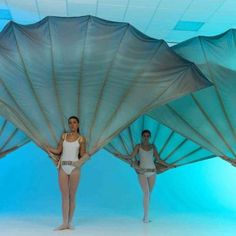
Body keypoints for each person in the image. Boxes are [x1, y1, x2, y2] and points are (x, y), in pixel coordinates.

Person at [115, 129, 173, 223]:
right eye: (144, 136)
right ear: (142, 137)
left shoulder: (153, 146)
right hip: (142, 172)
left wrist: (169, 165)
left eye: (147, 136)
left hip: (152, 172)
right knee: (146, 193)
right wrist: (120, 155)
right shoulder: (138, 146)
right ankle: (146, 217)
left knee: (149, 194)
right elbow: (131, 157)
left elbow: (158, 159)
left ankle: (145, 215)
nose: (146, 137)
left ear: (150, 137)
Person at [46, 116, 89, 230]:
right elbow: (58, 151)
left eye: (74, 122)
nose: (72, 125)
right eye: (70, 123)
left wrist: (85, 158)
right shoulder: (64, 136)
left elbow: (83, 154)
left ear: (78, 124)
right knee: (64, 196)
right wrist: (46, 147)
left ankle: (70, 222)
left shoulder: (81, 138)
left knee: (72, 196)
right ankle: (64, 223)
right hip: (63, 167)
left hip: (74, 168)